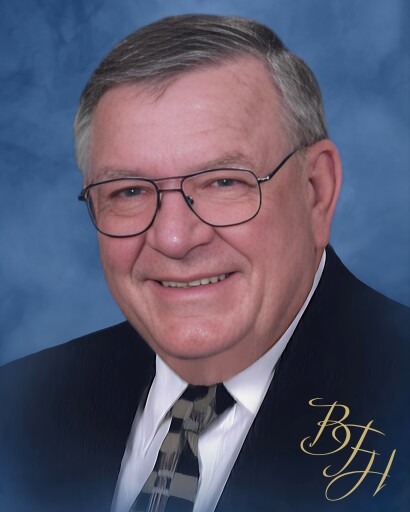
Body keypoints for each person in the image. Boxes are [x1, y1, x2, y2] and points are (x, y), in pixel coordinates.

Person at [0, 14, 408, 512]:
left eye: (223, 182)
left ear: (316, 191)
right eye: (129, 191)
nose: (173, 238)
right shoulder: (17, 408)